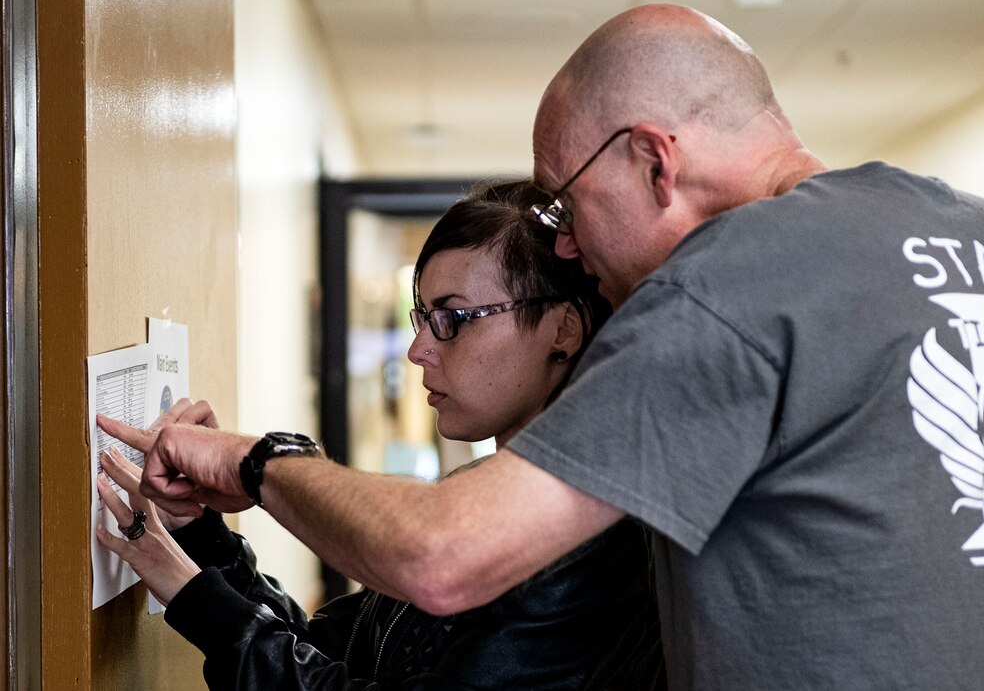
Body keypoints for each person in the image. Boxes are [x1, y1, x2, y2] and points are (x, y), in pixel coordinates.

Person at [100, 4, 984, 688]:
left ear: (653, 158)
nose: (565, 241)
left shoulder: (738, 276)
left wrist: (254, 460)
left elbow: (441, 557)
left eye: (566, 201)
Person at [96, 179, 664, 689]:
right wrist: (198, 537)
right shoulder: (474, 492)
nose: (418, 350)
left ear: (562, 329)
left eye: (454, 318)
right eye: (423, 318)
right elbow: (330, 655)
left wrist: (197, 593)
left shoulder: (587, 542)